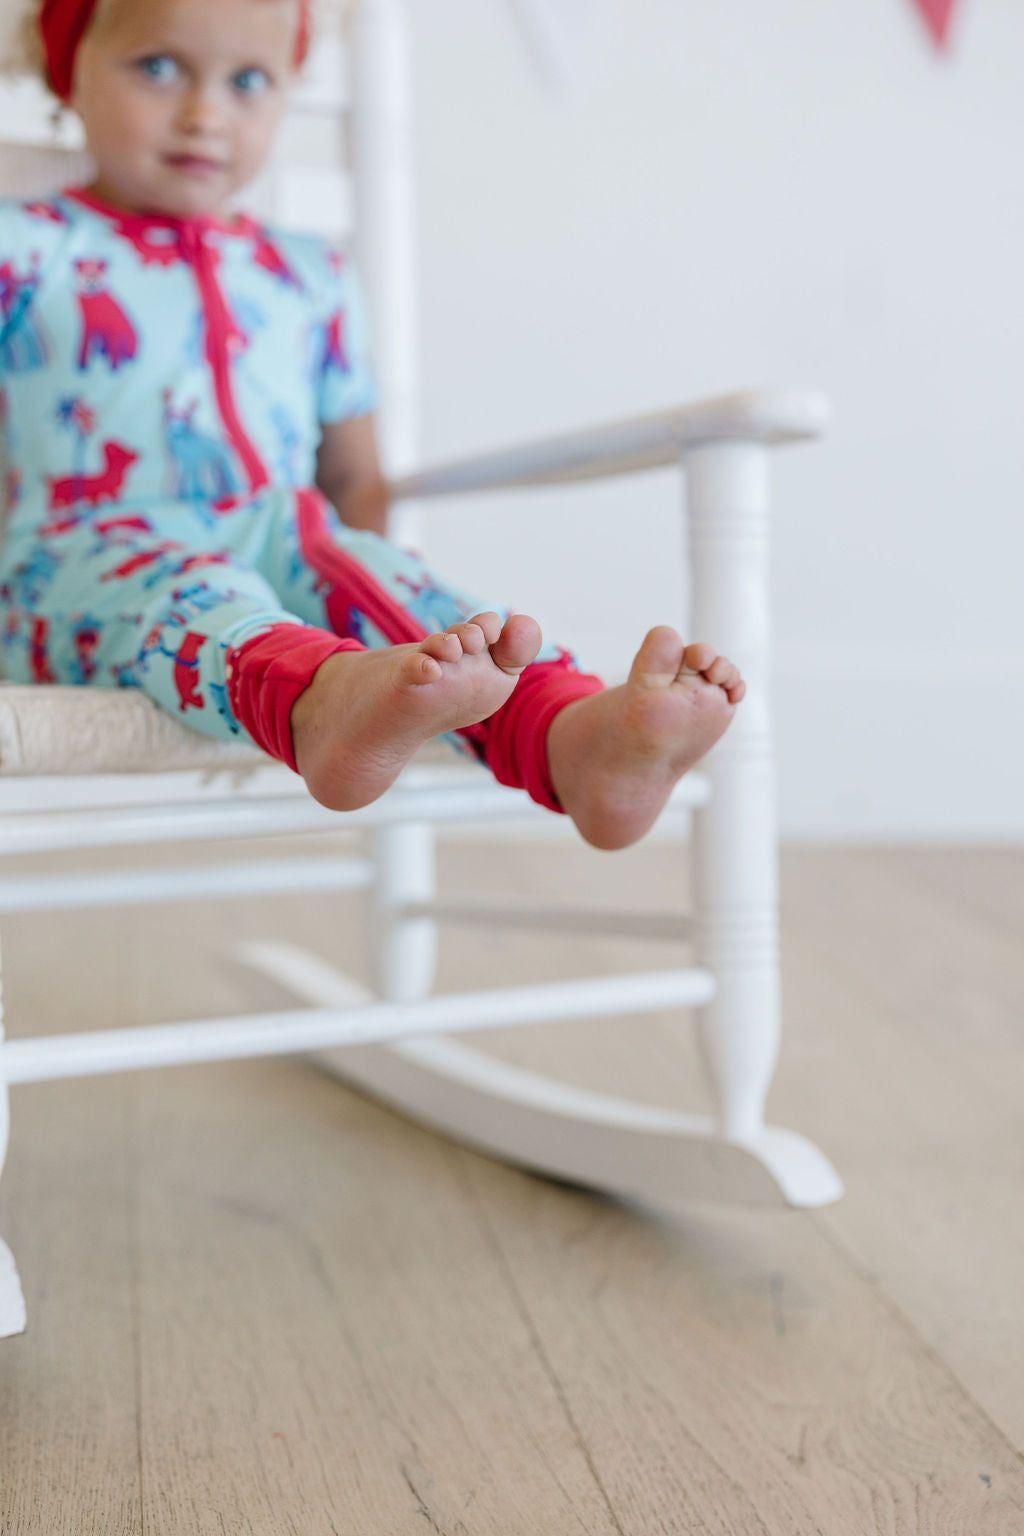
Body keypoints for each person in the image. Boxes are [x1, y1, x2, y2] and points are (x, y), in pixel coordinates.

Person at [0, 0, 745, 850]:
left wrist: (364, 588)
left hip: (286, 531)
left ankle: (575, 740)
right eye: (159, 68)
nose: (206, 114)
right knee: (200, 594)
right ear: (69, 70)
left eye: (248, 81)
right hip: (77, 560)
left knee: (416, 605)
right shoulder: (25, 248)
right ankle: (322, 705)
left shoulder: (307, 274)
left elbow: (354, 479)